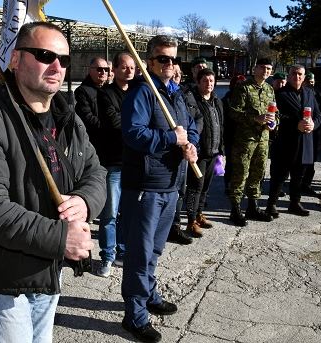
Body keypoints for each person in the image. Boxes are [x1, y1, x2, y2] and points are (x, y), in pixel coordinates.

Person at [0, 22, 106, 342]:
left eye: (63, 60)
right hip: (5, 279)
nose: (56, 66)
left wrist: (84, 200)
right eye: (44, 55)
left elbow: (96, 172)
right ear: (15, 60)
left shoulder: (69, 119)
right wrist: (61, 238)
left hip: (49, 271)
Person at [120, 35, 198, 342]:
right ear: (149, 62)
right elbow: (133, 134)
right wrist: (170, 140)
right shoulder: (142, 92)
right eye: (163, 59)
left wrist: (191, 144)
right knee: (139, 254)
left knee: (154, 249)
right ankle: (135, 316)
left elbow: (188, 125)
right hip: (145, 187)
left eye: (173, 59)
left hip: (170, 184)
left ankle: (148, 294)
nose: (170, 64)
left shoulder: (175, 94)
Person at [95, 52, 135, 277]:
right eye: (124, 67)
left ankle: (122, 252)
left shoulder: (140, 92)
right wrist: (138, 127)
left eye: (132, 67)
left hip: (133, 161)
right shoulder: (106, 94)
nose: (129, 71)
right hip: (113, 162)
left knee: (127, 213)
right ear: (115, 70)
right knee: (110, 213)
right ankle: (107, 256)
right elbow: (114, 122)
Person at [265, 65, 321, 218]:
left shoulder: (310, 93)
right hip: (285, 142)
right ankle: (271, 204)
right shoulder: (279, 94)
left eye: (300, 74)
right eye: (294, 74)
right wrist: (295, 124)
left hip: (305, 141)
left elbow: (318, 115)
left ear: (304, 77)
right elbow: (277, 116)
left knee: (298, 176)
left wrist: (313, 124)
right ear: (289, 76)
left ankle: (294, 203)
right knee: (279, 176)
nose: (297, 77)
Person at [227, 58, 276, 226]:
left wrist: (275, 122)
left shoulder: (269, 89)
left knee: (258, 173)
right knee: (240, 173)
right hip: (245, 140)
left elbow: (275, 112)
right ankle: (235, 209)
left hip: (263, 139)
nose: (265, 71)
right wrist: (256, 118)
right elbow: (234, 112)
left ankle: (253, 207)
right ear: (254, 69)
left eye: (269, 68)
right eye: (262, 67)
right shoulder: (243, 88)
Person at [184, 68, 223, 237]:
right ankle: (191, 221)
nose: (209, 84)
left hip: (213, 152)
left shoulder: (217, 101)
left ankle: (200, 214)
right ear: (198, 82)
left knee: (205, 187)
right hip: (200, 153)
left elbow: (221, 126)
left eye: (212, 81)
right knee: (195, 187)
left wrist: (221, 150)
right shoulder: (194, 102)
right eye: (205, 81)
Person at [167, 63, 194, 245]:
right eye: (173, 73)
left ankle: (175, 226)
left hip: (183, 155)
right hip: (167, 156)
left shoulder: (181, 95)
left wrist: (192, 141)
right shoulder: (158, 94)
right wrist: (172, 138)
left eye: (178, 73)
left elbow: (191, 121)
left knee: (180, 193)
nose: (176, 76)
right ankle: (167, 227)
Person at [74, 56, 109, 149]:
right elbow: (87, 117)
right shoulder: (82, 91)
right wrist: (109, 126)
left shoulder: (110, 89)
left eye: (106, 69)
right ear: (90, 70)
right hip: (94, 141)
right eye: (99, 69)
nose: (103, 72)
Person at [221, 75, 247, 192]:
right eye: (237, 84)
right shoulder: (226, 100)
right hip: (231, 136)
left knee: (244, 164)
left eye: (242, 84)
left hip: (246, 137)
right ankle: (229, 185)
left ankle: (241, 186)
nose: (239, 87)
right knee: (231, 163)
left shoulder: (248, 98)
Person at [300, 71, 321, 196]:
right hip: (300, 131)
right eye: (308, 82)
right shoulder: (298, 93)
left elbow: (320, 113)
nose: (311, 84)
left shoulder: (316, 94)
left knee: (311, 160)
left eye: (313, 82)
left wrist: (315, 125)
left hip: (313, 131)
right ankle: (298, 182)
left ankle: (307, 183)